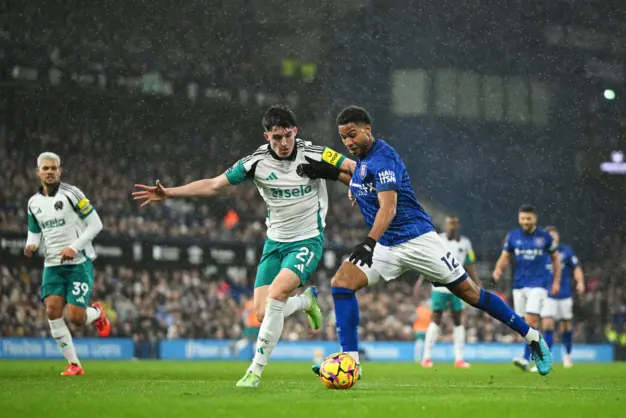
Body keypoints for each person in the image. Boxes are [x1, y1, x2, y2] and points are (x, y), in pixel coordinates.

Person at [300, 105, 553, 377]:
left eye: (352, 135)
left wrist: (368, 243)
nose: (348, 142)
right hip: (387, 245)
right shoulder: (362, 159)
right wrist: (325, 172)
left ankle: (533, 338)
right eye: (343, 138)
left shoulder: (383, 159)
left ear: (367, 130)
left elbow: (389, 208)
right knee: (341, 284)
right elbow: (355, 178)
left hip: (417, 240)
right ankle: (351, 363)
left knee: (471, 294)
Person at [132, 105, 354, 387]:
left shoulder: (316, 153)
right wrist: (170, 193)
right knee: (261, 313)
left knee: (275, 295)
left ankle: (254, 372)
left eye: (287, 136)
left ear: (295, 132)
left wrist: (352, 184)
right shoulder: (255, 163)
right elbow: (214, 185)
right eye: (276, 138)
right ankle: (303, 301)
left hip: (307, 240)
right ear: (266, 137)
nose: (283, 143)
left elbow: (353, 168)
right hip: (274, 244)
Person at [24, 152, 111, 376]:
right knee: (52, 311)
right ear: (38, 172)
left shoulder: (73, 194)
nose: (50, 172)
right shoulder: (33, 203)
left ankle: (96, 313)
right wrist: (31, 246)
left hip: (78, 264)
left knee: (76, 318)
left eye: (54, 168)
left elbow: (96, 224)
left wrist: (74, 246)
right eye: (45, 168)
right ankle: (74, 364)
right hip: (52, 265)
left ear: (59, 171)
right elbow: (34, 232)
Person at [492, 204, 561, 372]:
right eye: (522, 218)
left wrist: (556, 281)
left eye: (528, 218)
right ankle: (537, 356)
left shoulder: (545, 237)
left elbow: (556, 260)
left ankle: (528, 358)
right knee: (524, 325)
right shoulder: (513, 237)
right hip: (519, 285)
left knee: (531, 322)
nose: (525, 221)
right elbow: (505, 255)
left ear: (535, 219)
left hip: (538, 285)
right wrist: (498, 270)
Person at [416, 215, 480, 368]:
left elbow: (470, 263)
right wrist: (420, 280)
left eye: (454, 224)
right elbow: (429, 260)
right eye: (449, 224)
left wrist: (477, 282)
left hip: (459, 286)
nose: (451, 227)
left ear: (458, 226)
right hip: (440, 285)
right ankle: (426, 357)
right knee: (436, 318)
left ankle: (459, 358)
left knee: (458, 320)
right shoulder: (438, 239)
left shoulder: (466, 243)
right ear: (445, 226)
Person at [540, 226, 585, 368]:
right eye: (549, 235)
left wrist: (580, 282)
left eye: (555, 234)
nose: (553, 237)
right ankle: (548, 357)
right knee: (547, 325)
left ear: (558, 236)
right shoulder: (541, 253)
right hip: (547, 294)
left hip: (565, 294)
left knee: (566, 326)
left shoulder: (566, 251)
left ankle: (567, 356)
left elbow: (576, 268)